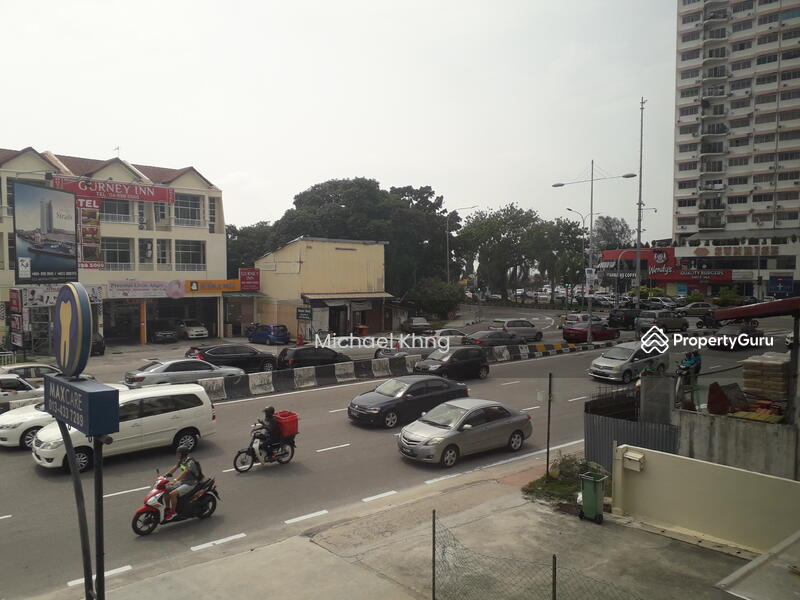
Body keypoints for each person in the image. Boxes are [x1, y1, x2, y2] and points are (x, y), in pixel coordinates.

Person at [164, 444, 202, 521]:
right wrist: (165, 476)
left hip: (191, 483)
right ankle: (167, 508)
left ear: (183, 454)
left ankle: (173, 512)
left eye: (178, 453)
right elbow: (174, 468)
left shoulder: (190, 462)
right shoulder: (181, 461)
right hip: (184, 481)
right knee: (166, 490)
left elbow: (185, 472)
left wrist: (174, 481)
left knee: (173, 494)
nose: (177, 455)